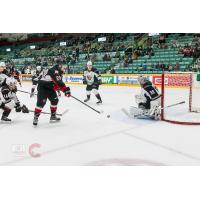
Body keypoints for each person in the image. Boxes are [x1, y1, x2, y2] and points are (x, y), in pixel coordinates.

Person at [33, 59, 71, 126]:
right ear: (59, 66)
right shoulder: (55, 71)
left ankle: (53, 116)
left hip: (50, 88)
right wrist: (66, 90)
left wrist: (64, 90)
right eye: (63, 67)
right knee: (41, 103)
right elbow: (59, 82)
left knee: (55, 100)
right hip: (43, 88)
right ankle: (36, 117)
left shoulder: (56, 70)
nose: (65, 68)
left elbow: (56, 83)